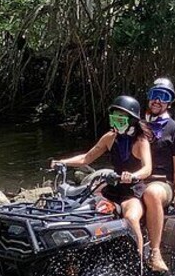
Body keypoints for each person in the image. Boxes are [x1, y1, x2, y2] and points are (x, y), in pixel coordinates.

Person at [51, 95, 151, 261]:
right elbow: (86, 158)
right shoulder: (109, 138)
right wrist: (62, 162)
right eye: (114, 117)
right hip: (112, 188)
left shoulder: (141, 141)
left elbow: (147, 169)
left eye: (121, 118)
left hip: (132, 191)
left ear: (132, 120)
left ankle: (139, 262)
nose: (116, 121)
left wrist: (132, 176)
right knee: (82, 210)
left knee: (131, 218)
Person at [142, 78, 175, 272]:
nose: (157, 100)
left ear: (169, 102)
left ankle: (155, 252)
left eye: (164, 97)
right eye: (155, 95)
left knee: (151, 193)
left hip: (163, 184)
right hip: (138, 178)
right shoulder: (139, 125)